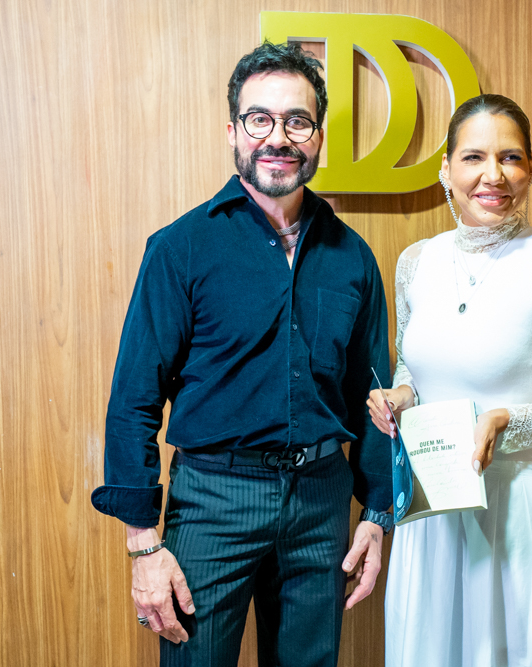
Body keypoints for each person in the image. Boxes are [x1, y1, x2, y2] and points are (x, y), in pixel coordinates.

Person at [91, 42, 394, 667]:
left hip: (321, 503)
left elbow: (372, 396)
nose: (277, 138)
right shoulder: (180, 248)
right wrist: (143, 546)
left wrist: (377, 513)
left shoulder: (353, 258)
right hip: (212, 501)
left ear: (318, 136)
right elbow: (134, 401)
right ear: (233, 131)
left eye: (297, 121)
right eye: (260, 119)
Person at [367, 94, 532, 667]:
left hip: (517, 510)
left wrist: (509, 420)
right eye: (474, 157)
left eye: (510, 157)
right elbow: (414, 365)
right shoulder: (415, 262)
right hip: (431, 509)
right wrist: (400, 395)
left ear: (530, 168)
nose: (493, 175)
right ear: (446, 169)